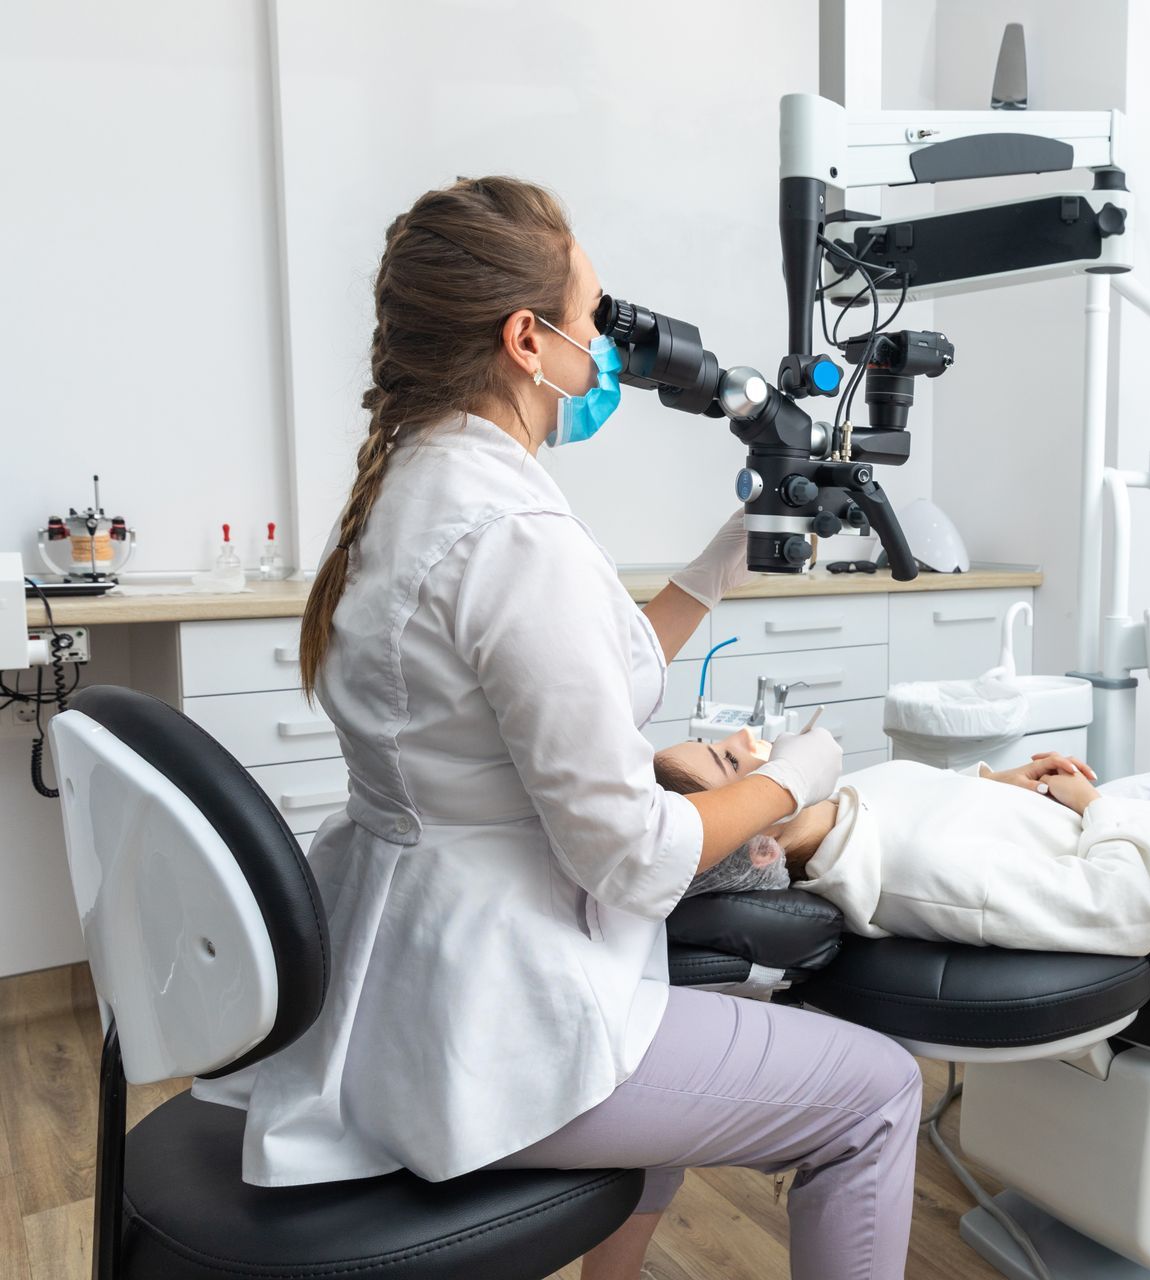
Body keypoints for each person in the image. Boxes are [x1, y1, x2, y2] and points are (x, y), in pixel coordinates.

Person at [191, 178, 920, 1280]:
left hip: (403, 975)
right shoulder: (515, 531)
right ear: (525, 339)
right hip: (494, 1024)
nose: (603, 349)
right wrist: (798, 776)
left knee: (695, 1014)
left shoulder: (418, 485)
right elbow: (631, 856)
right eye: (590, 320)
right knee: (876, 1091)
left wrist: (725, 557)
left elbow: (573, 671)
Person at [653, 676, 1150, 955]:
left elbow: (929, 803)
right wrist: (1097, 804)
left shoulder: (840, 821)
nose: (744, 737)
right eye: (730, 763)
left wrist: (1001, 782)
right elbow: (1129, 909)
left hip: (1094, 822)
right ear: (760, 844)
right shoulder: (919, 876)